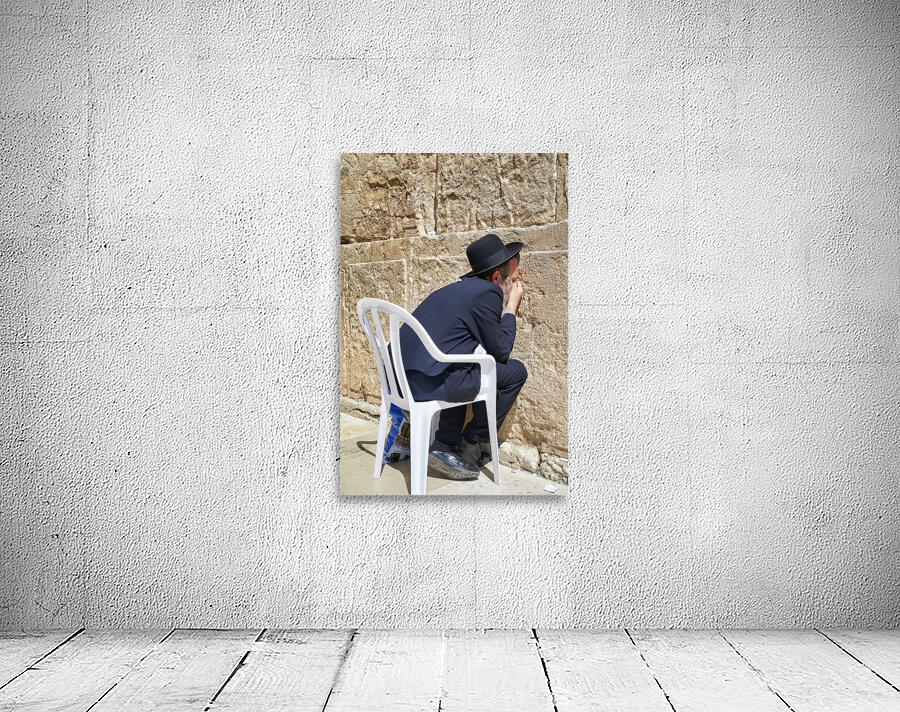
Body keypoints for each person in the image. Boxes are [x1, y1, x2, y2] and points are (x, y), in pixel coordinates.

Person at [395, 233, 528, 480]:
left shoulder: (453, 291)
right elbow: (501, 351)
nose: (514, 286)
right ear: (496, 277)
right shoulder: (488, 292)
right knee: (516, 372)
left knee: (462, 363)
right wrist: (510, 309)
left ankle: (445, 445)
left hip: (400, 382)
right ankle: (472, 439)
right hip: (428, 384)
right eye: (512, 280)